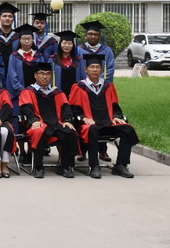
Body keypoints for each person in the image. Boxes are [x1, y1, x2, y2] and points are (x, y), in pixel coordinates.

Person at [69, 54, 139, 179]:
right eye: (92, 67)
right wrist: (84, 118)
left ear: (101, 70)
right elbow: (74, 109)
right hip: (89, 124)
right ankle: (94, 166)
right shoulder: (79, 87)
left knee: (127, 129)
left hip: (108, 122)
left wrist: (116, 116)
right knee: (92, 129)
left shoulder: (108, 86)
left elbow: (115, 105)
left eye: (97, 67)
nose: (95, 70)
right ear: (86, 70)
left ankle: (121, 165)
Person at [20, 62, 78, 179]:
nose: (45, 77)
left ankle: (66, 166)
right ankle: (38, 167)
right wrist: (34, 120)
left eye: (47, 74)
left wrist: (67, 120)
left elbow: (66, 108)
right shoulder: (28, 91)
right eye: (41, 73)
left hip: (57, 123)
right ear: (35, 75)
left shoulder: (57, 92)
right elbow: (26, 108)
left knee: (70, 132)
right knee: (38, 132)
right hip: (39, 123)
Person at [77, 20, 116, 162]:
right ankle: (82, 151)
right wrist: (83, 85)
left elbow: (110, 68)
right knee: (83, 119)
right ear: (85, 35)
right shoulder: (79, 50)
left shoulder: (107, 50)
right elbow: (77, 68)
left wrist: (102, 84)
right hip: (83, 90)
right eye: (90, 34)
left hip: (101, 90)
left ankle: (103, 151)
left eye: (95, 34)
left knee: (102, 117)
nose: (92, 36)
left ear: (99, 36)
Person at [6, 24, 44, 114]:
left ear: (33, 39)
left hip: (37, 93)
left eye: (29, 38)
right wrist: (22, 91)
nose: (26, 41)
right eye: (23, 38)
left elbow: (43, 74)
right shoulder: (14, 56)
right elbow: (12, 76)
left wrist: (37, 89)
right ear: (19, 40)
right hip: (19, 94)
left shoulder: (39, 56)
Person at [48, 30, 85, 99]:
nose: (67, 46)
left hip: (75, 96)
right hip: (57, 95)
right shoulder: (53, 59)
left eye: (69, 43)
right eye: (64, 43)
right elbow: (49, 79)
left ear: (73, 45)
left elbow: (83, 77)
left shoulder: (78, 60)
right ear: (60, 44)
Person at [0, 2, 20, 84]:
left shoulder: (18, 37)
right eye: (4, 16)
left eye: (10, 16)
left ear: (13, 19)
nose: (7, 18)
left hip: (15, 75)